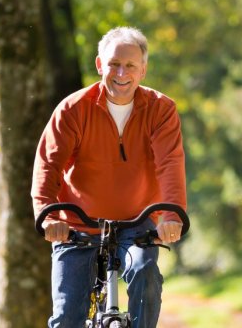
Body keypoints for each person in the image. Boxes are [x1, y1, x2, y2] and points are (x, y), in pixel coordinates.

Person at [31, 26, 187, 328]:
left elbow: (169, 163)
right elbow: (48, 165)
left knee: (147, 275)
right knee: (66, 318)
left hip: (136, 221)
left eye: (130, 65)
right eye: (114, 64)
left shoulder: (161, 109)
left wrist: (170, 215)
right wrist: (48, 216)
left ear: (143, 70)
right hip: (78, 225)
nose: (121, 72)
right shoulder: (73, 109)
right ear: (100, 65)